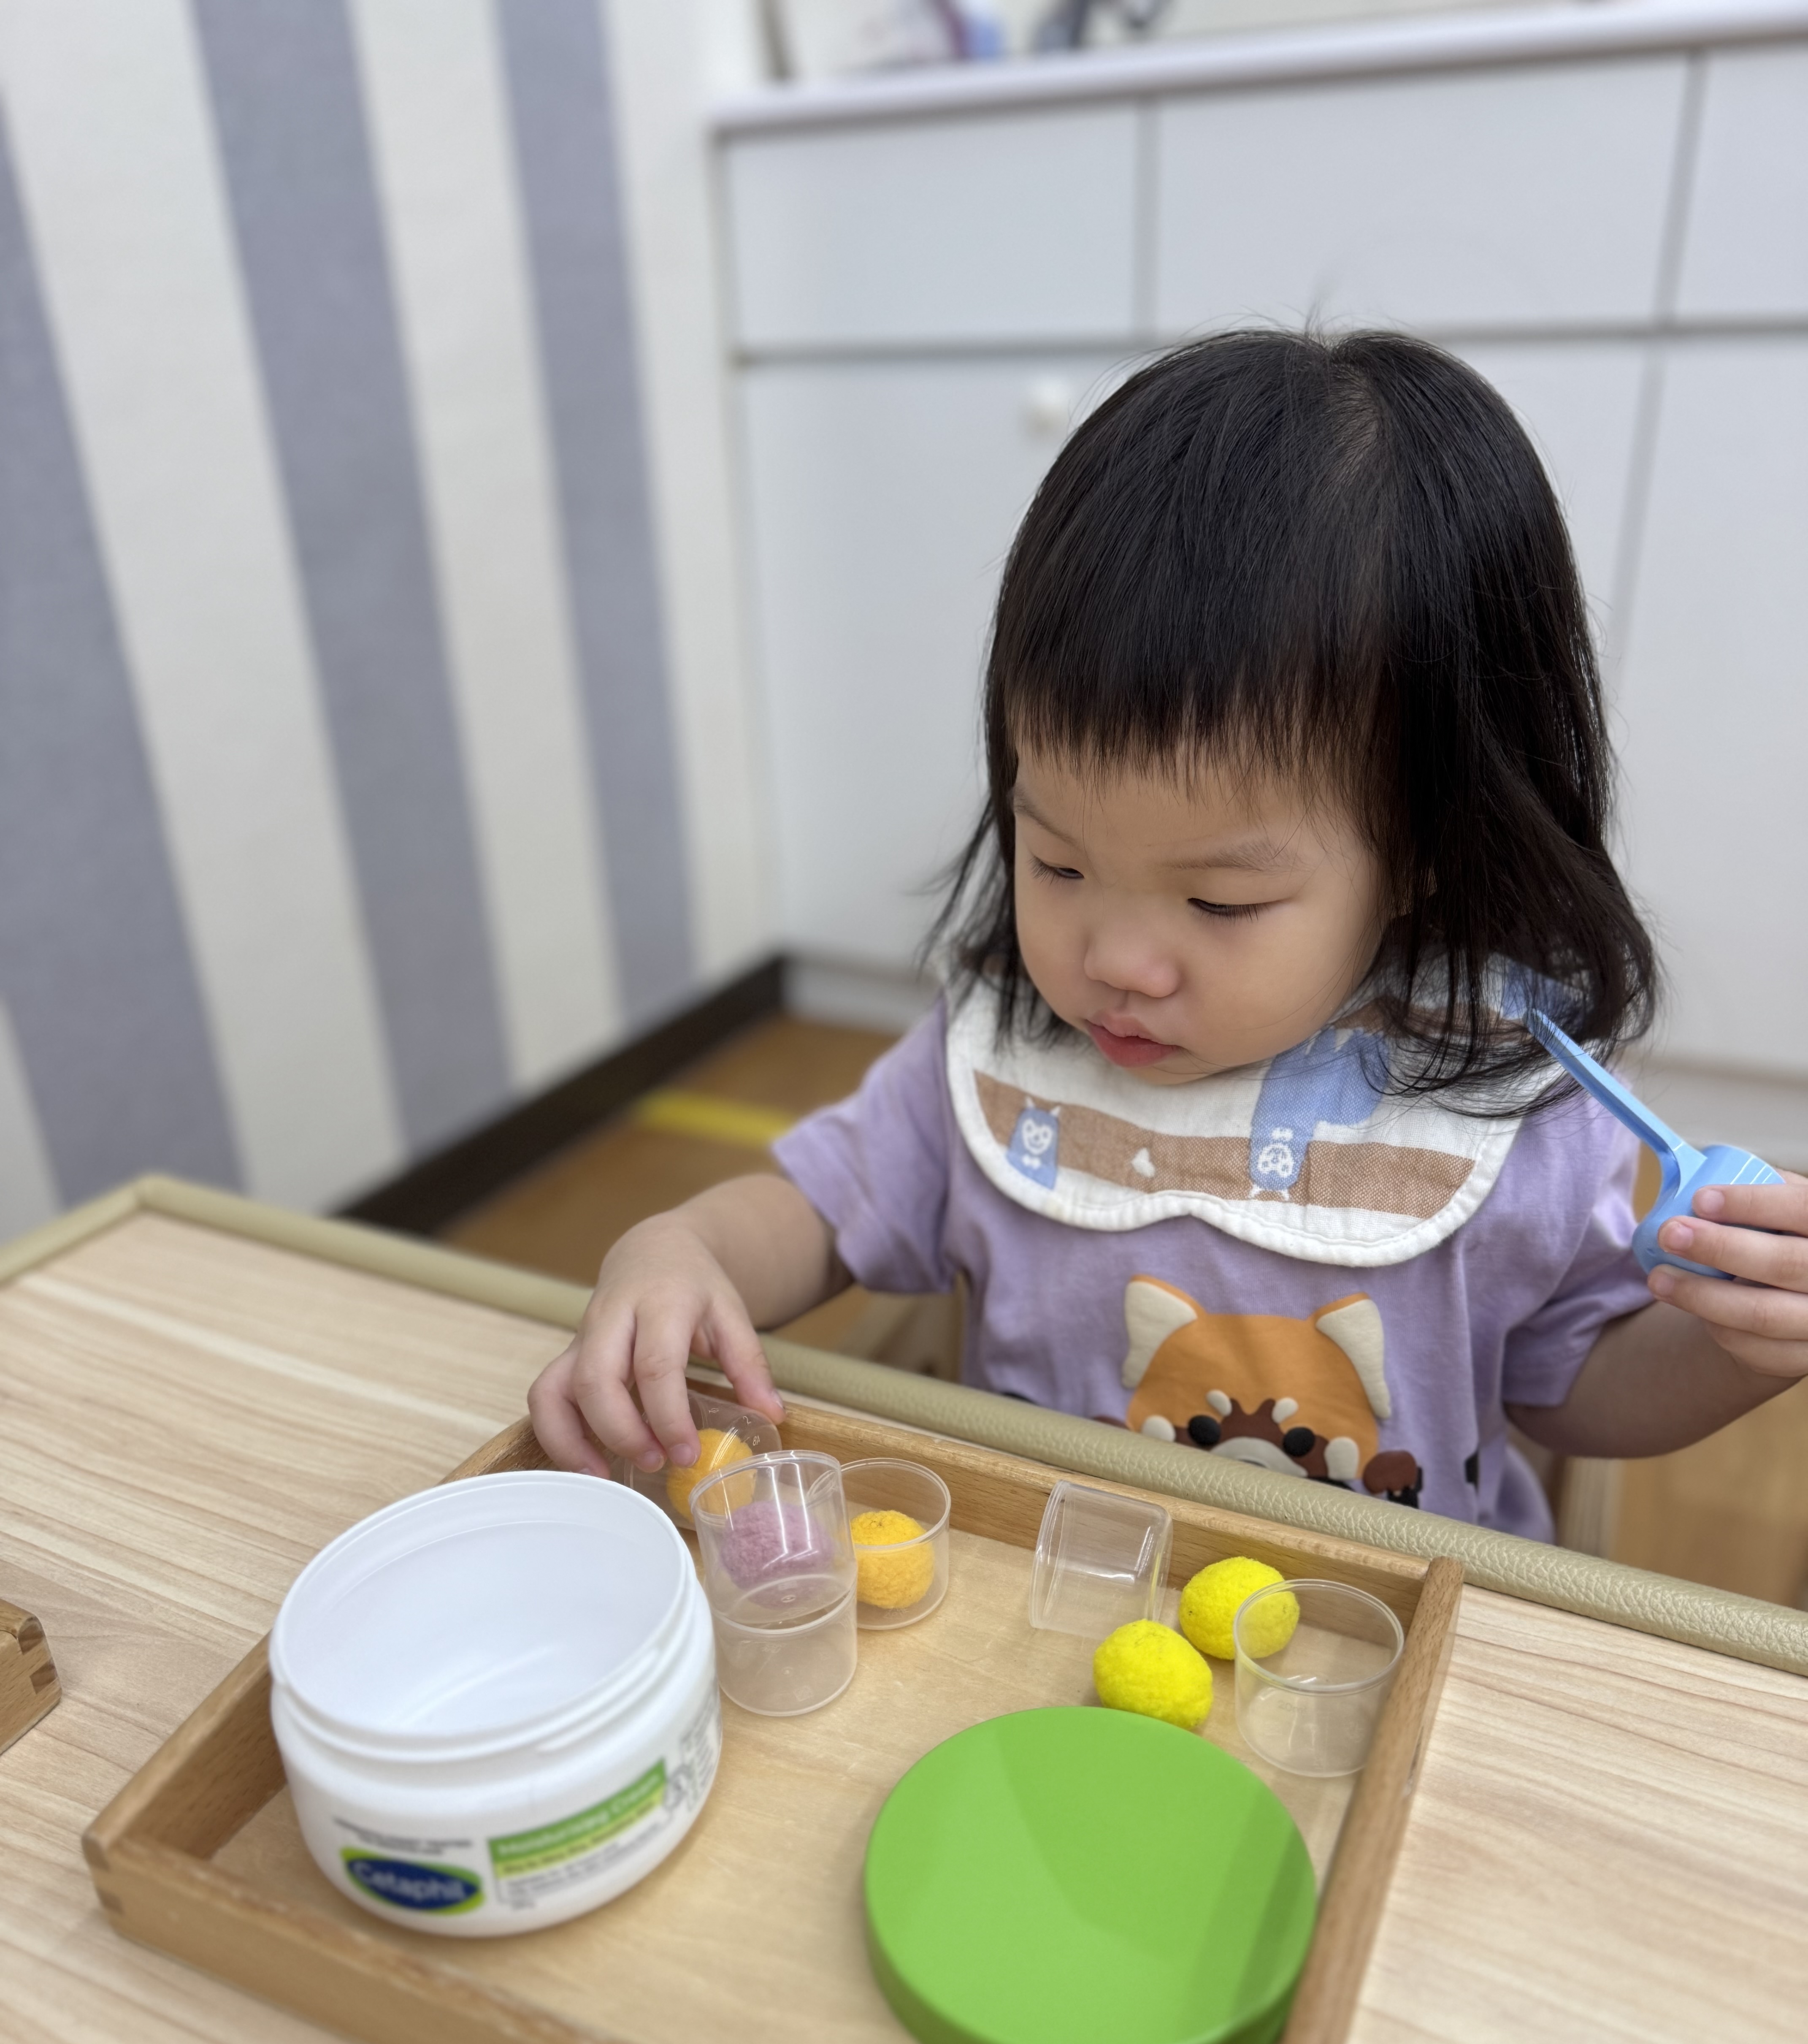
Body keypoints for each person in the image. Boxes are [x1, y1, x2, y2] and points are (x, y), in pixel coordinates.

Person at [530, 330, 1808, 1538]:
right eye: (1058, 863)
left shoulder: (1504, 1097)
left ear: (1424, 848)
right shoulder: (1008, 1055)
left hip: (1377, 1638)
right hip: (1044, 1607)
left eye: (1219, 903)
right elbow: (815, 1211)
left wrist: (1738, 1346)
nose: (1114, 964)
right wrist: (680, 1250)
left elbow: (1572, 1394)